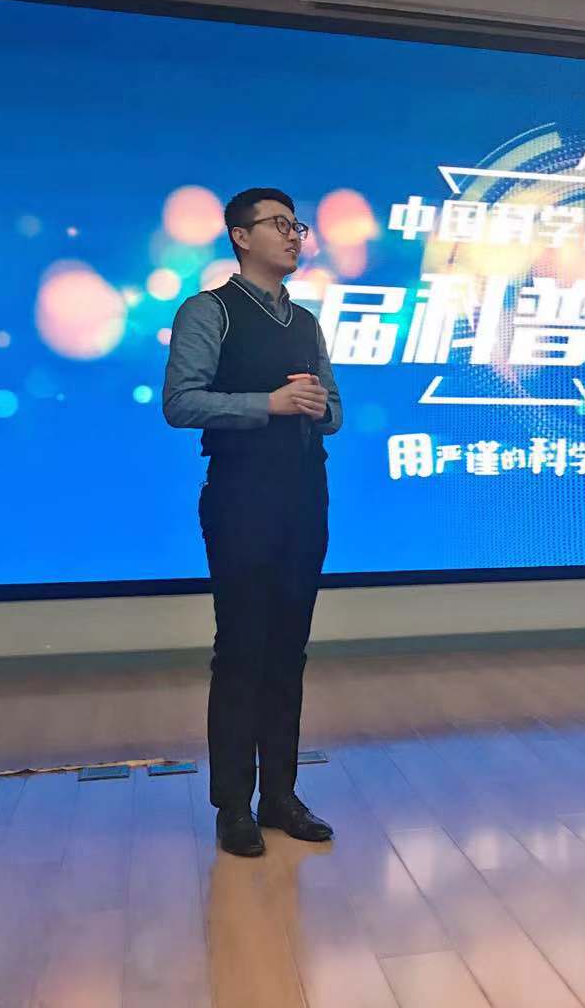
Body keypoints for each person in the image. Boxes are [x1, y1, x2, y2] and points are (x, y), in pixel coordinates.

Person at [163, 187, 341, 856]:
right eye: (279, 224)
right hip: (241, 496)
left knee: (289, 650)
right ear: (240, 236)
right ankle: (233, 805)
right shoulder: (209, 311)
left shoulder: (306, 321)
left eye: (298, 226)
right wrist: (269, 403)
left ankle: (282, 796)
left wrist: (319, 408)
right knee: (241, 649)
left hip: (305, 494)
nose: (294, 236)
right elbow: (181, 403)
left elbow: (334, 410)